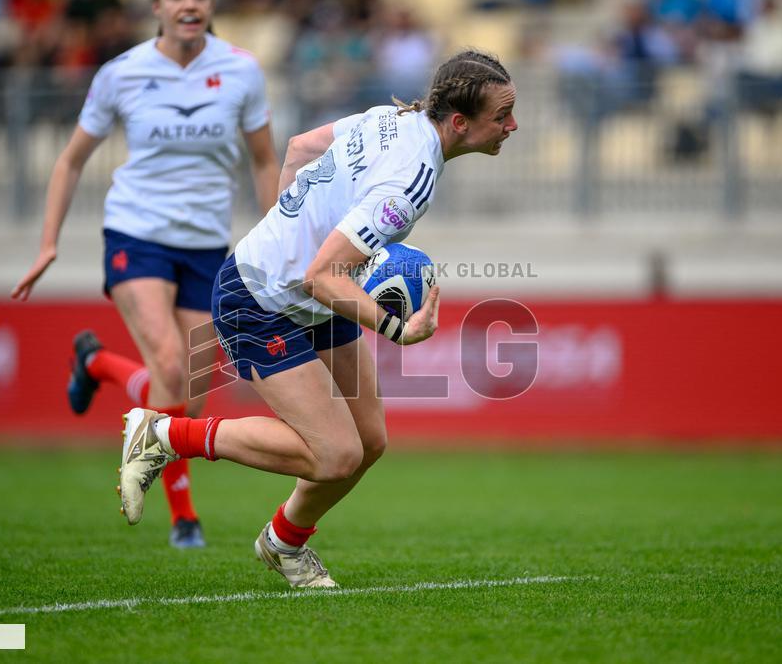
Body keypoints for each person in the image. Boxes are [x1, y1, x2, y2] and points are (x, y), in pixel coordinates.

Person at [116, 49, 518, 587]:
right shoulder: (413, 181)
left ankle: (283, 542)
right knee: (335, 456)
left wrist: (289, 224)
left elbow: (300, 148)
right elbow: (321, 276)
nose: (513, 125)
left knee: (369, 441)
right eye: (503, 115)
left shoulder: (392, 117)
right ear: (461, 122)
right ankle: (164, 434)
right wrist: (400, 329)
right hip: (258, 299)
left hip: (304, 294)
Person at [11, 0, 280, 548]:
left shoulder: (241, 70)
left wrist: (279, 240)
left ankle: (98, 362)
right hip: (136, 236)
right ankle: (184, 517)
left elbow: (263, 160)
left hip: (206, 247)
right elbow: (71, 159)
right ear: (156, 6)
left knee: (193, 399)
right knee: (168, 363)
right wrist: (47, 243)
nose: (190, 4)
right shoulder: (121, 73)